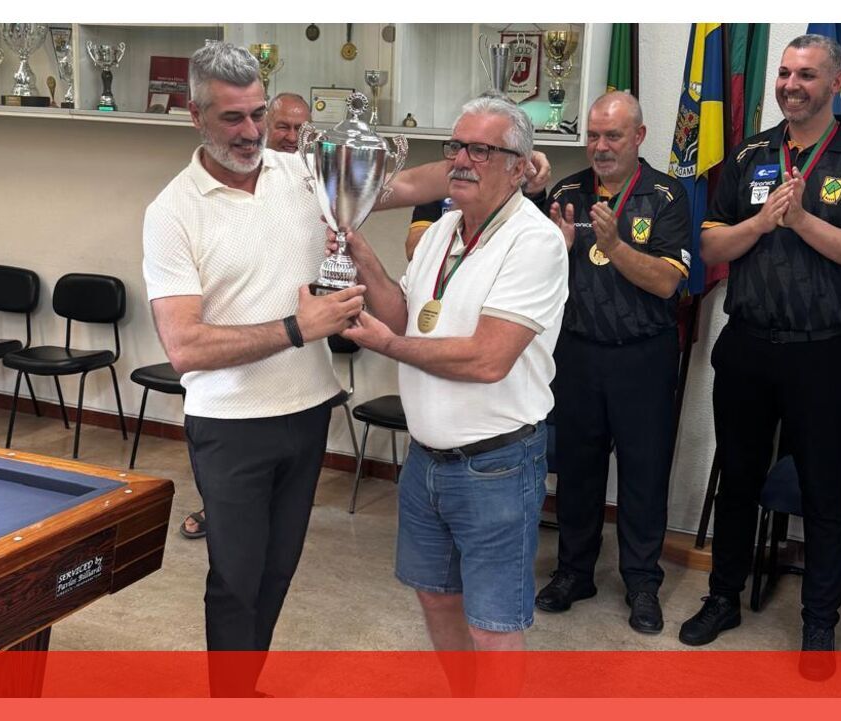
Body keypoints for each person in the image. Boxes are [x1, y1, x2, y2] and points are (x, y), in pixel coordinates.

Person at [141, 43, 484, 669]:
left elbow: (409, 183)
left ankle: (246, 689)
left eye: (258, 114)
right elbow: (184, 346)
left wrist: (494, 161)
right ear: (195, 115)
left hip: (306, 412)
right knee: (236, 578)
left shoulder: (303, 172)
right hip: (230, 423)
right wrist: (298, 328)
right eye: (232, 118)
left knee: (278, 571)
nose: (251, 132)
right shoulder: (172, 211)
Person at [679, 34, 841, 659]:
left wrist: (801, 219)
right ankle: (723, 596)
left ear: (836, 83)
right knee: (738, 478)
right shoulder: (751, 153)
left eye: (806, 74)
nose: (790, 85)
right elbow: (710, 246)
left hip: (819, 353)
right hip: (748, 346)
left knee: (822, 488)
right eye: (783, 73)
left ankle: (819, 621)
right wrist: (761, 221)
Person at [330, 95, 568, 661]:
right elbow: (403, 316)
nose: (460, 160)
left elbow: (488, 360)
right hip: (426, 460)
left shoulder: (534, 242)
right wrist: (362, 256)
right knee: (436, 598)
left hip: (496, 467)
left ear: (518, 167)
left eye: (480, 150)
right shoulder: (443, 230)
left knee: (492, 626)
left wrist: (389, 347)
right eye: (456, 146)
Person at [533, 91, 690, 635]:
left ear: (638, 137)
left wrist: (615, 245)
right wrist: (553, 249)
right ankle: (574, 572)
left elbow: (667, 283)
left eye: (613, 136)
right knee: (578, 470)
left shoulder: (666, 196)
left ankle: (642, 583)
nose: (600, 146)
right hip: (578, 352)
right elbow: (538, 273)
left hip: (642, 356)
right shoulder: (566, 192)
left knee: (644, 473)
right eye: (594, 135)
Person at [179, 90, 315, 542]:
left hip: (301, 395)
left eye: (300, 129)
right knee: (236, 559)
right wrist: (297, 327)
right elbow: (184, 346)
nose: (291, 137)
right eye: (282, 126)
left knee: (279, 552)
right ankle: (215, 508)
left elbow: (401, 188)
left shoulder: (310, 182)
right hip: (227, 403)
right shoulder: (188, 203)